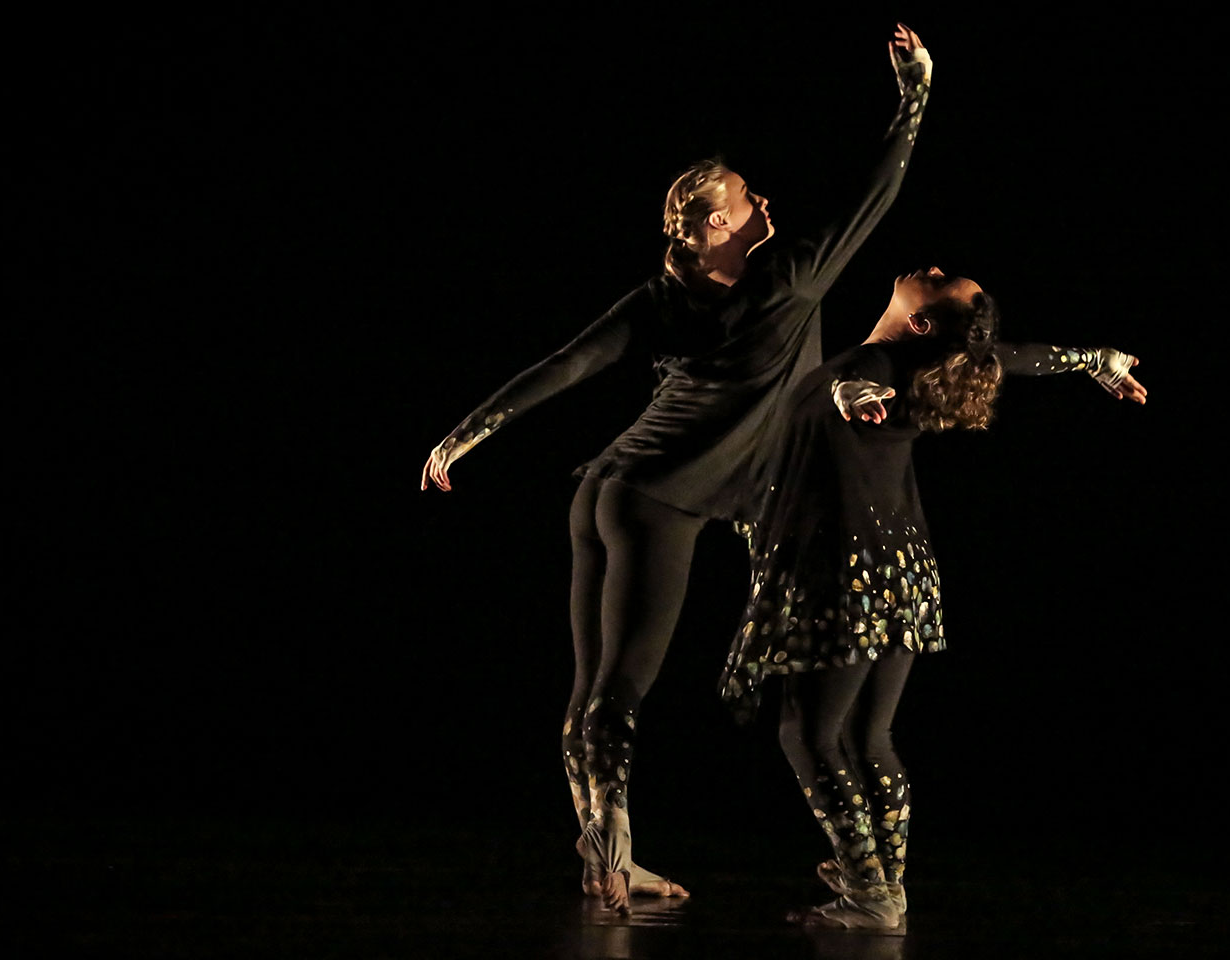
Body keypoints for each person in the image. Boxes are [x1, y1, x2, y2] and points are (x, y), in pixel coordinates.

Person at [420, 25, 936, 913]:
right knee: (616, 692)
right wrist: (914, 94)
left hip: (606, 493)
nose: (762, 199)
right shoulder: (789, 282)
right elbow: (874, 197)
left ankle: (606, 864)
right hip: (658, 501)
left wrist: (464, 436)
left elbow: (566, 365)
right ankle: (612, 868)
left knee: (594, 692)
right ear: (711, 227)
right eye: (743, 198)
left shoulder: (669, 294)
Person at [718, 267, 1145, 928]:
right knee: (867, 733)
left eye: (940, 282)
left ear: (920, 320)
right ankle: (885, 884)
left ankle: (869, 889)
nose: (933, 268)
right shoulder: (942, 360)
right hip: (905, 574)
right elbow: (1027, 357)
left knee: (808, 731)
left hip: (848, 571)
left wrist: (853, 392)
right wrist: (1098, 361)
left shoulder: (878, 360)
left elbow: (858, 378)